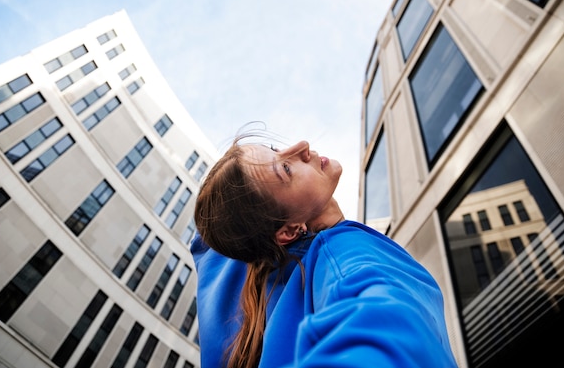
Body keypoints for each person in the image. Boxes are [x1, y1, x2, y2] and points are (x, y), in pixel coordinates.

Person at [191, 128, 458, 368]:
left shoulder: (241, 280)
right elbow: (387, 329)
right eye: (285, 169)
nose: (301, 146)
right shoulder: (341, 252)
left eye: (275, 149)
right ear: (288, 231)